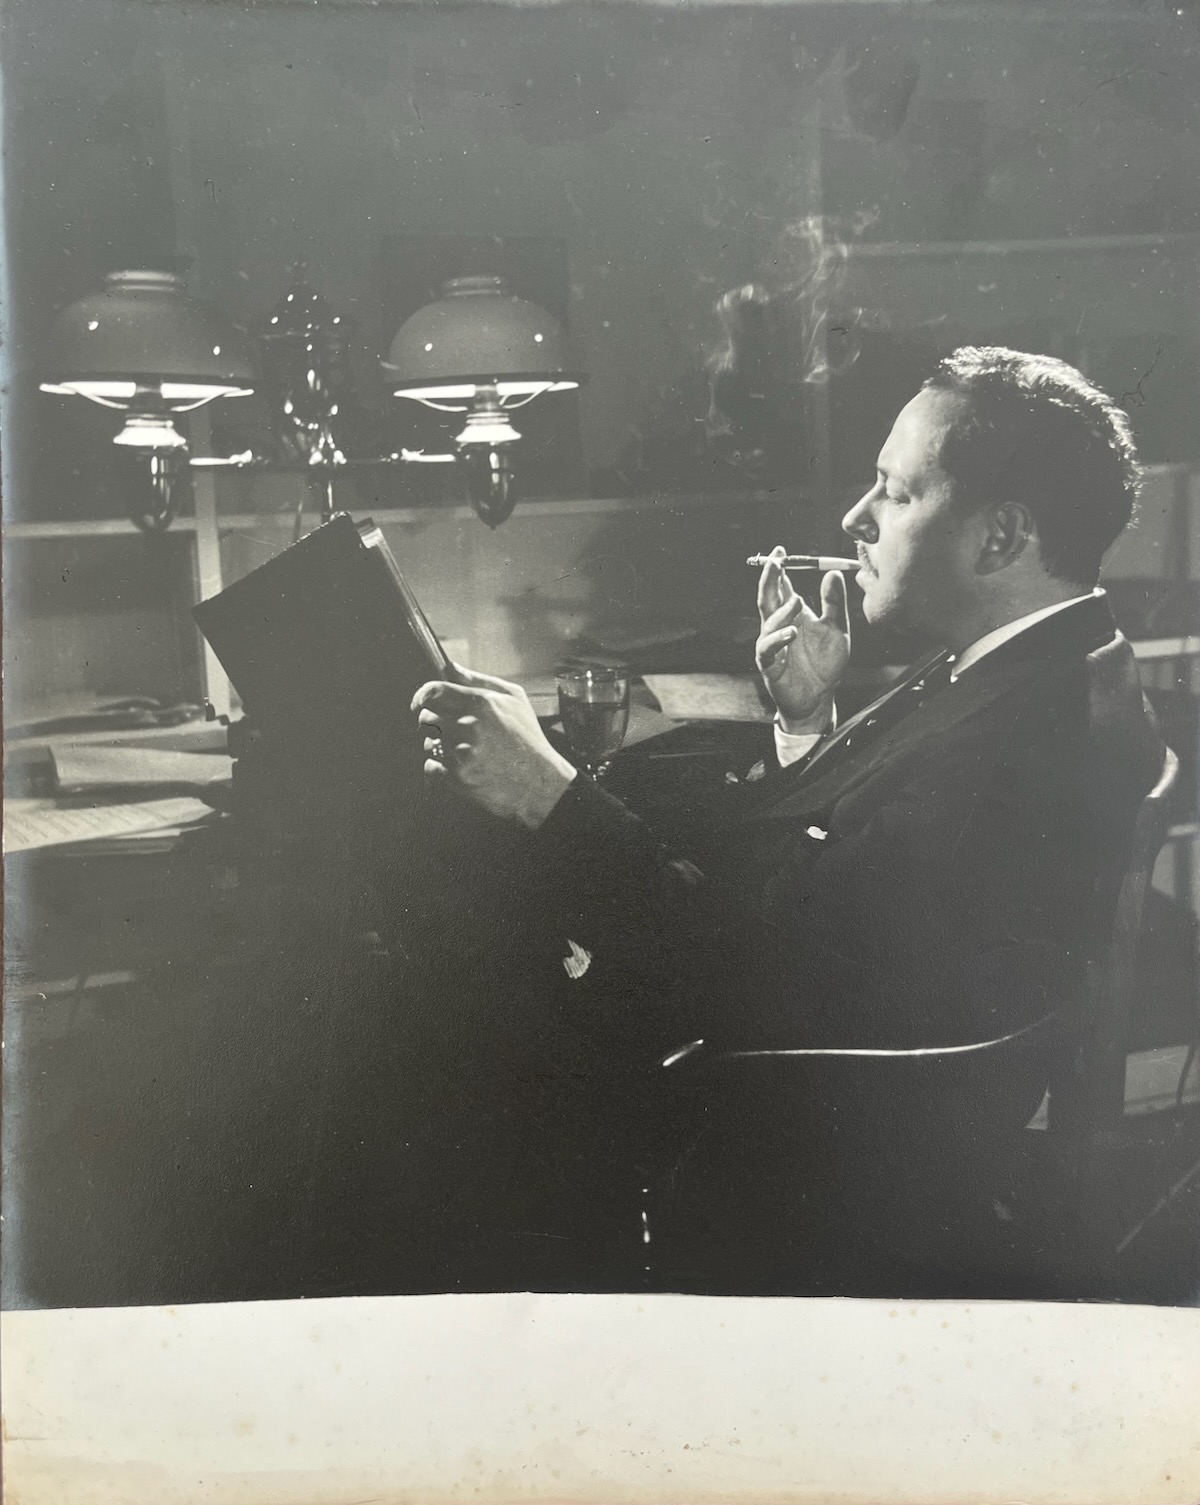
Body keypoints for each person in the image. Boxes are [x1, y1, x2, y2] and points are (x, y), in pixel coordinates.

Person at [411, 347, 1165, 1293]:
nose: (856, 518)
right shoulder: (1036, 663)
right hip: (827, 1068)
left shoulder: (1021, 736)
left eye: (894, 492)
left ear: (1001, 536)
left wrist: (548, 797)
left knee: (426, 1037)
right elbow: (852, 895)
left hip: (816, 1144)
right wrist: (806, 720)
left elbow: (754, 974)